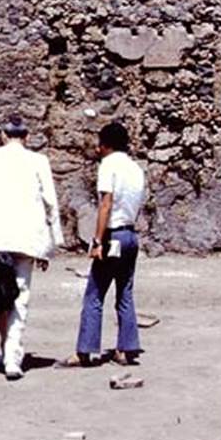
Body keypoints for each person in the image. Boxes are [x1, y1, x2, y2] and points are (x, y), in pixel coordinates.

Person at [0, 115, 64, 380]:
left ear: (3, 135)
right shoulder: (38, 161)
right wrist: (53, 241)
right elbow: (50, 202)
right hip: (27, 238)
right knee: (21, 296)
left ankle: (8, 350)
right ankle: (12, 356)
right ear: (26, 137)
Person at [58, 122, 146, 368]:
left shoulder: (109, 165)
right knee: (125, 293)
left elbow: (106, 203)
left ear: (106, 145)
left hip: (113, 235)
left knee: (94, 293)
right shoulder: (135, 169)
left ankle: (85, 350)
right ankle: (126, 349)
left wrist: (97, 240)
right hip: (130, 234)